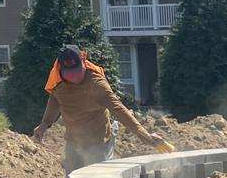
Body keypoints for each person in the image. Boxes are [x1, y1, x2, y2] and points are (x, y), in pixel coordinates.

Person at [32, 45, 170, 171]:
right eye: (69, 73)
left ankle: (113, 131)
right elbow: (55, 98)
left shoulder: (96, 84)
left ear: (83, 60)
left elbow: (119, 109)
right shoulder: (57, 80)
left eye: (77, 70)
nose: (74, 76)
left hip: (98, 141)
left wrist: (145, 136)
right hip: (73, 140)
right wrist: (44, 124)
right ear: (60, 69)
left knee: (99, 177)